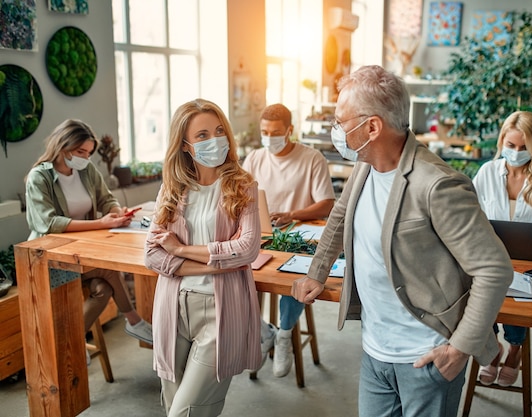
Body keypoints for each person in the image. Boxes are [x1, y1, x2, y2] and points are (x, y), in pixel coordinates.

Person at [291, 65, 514, 417]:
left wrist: (458, 349)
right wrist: (317, 272)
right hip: (376, 349)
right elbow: (339, 217)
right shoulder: (367, 164)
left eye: (340, 120)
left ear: (372, 127)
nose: (335, 130)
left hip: (427, 355)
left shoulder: (437, 184)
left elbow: (494, 269)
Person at [144, 98, 262, 417]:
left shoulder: (242, 186)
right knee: (172, 400)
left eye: (219, 130)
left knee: (187, 411)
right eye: (202, 135)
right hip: (173, 306)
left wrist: (181, 250)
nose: (214, 140)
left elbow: (249, 248)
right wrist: (217, 263)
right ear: (185, 145)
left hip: (220, 310)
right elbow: (152, 254)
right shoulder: (172, 189)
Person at [25, 119, 153, 348]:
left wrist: (116, 212)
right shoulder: (39, 177)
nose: (85, 158)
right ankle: (134, 321)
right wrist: (101, 224)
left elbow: (106, 198)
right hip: (49, 258)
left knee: (103, 290)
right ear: (62, 146)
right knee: (108, 267)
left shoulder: (86, 170)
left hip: (80, 251)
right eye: (80, 151)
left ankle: (72, 345)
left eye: (88, 153)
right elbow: (49, 223)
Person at [472, 110, 532, 387]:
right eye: (511, 145)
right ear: (502, 141)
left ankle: (514, 350)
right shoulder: (487, 173)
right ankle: (492, 350)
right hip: (490, 259)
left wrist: (522, 239)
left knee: (519, 297)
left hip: (528, 263)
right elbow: (470, 214)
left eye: (524, 148)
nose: (515, 152)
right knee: (477, 296)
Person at [242, 103, 335, 377]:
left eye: (275, 132)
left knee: (294, 277)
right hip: (261, 236)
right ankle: (262, 331)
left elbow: (328, 204)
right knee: (231, 272)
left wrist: (293, 214)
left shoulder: (312, 158)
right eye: (264, 131)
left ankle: (284, 335)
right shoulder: (255, 159)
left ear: (290, 130)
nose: (269, 137)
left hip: (300, 237)